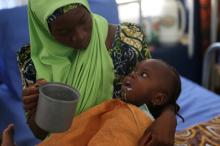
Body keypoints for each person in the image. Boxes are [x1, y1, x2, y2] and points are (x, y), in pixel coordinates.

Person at [17, 0, 177, 145]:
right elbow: (39, 133)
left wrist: (169, 116)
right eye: (64, 32)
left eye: (83, 21)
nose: (79, 36)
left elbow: (158, 88)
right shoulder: (33, 62)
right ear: (45, 30)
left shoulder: (128, 41)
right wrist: (37, 108)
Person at [2, 59, 182, 146]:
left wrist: (169, 113)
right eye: (134, 70)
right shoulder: (122, 108)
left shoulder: (132, 117)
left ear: (158, 99)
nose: (132, 74)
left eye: (143, 75)